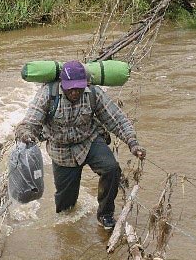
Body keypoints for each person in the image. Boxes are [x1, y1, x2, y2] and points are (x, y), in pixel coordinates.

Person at [15, 60, 146, 230]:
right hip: (61, 149)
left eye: (79, 87)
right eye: (71, 88)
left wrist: (133, 143)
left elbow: (116, 119)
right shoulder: (48, 94)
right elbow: (28, 123)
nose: (75, 92)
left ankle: (105, 214)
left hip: (89, 141)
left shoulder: (93, 93)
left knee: (111, 169)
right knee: (65, 207)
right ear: (62, 84)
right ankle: (66, 231)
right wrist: (27, 134)